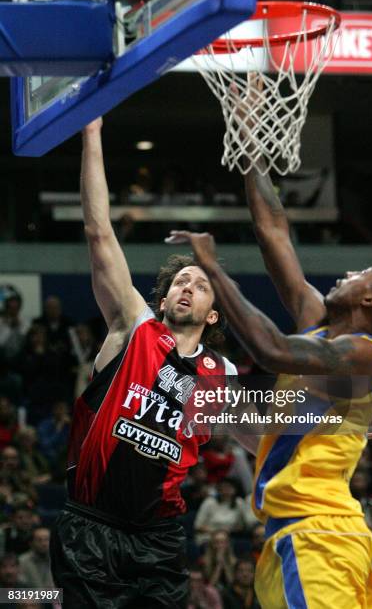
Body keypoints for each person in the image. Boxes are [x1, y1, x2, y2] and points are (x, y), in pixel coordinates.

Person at [167, 89, 372, 606]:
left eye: (358, 273)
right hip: (305, 536)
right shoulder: (319, 327)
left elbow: (271, 350)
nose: (346, 274)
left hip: (318, 537)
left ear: (369, 297)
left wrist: (213, 268)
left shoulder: (364, 355)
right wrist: (251, 140)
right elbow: (273, 231)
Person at [49, 118, 244, 609]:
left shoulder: (223, 376)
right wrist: (91, 132)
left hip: (159, 538)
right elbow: (99, 232)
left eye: (200, 285)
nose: (187, 287)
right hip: (90, 527)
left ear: (213, 312)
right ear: (162, 301)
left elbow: (267, 426)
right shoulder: (133, 329)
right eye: (180, 282)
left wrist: (336, 421)